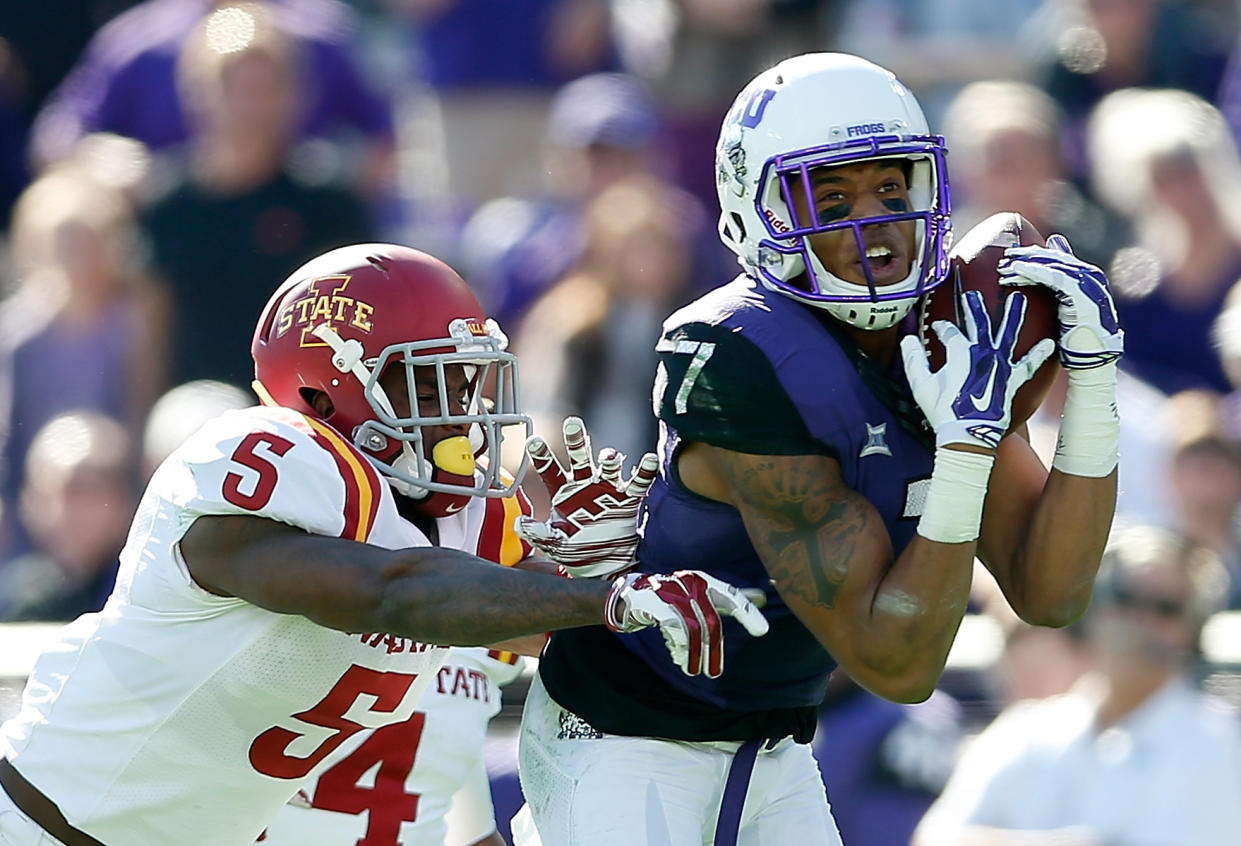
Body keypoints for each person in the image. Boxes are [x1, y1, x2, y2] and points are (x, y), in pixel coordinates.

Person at [511, 52, 1125, 844]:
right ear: (751, 215)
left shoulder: (940, 331)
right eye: (828, 198)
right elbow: (895, 663)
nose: (872, 225)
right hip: (627, 732)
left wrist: (1093, 395)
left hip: (772, 740)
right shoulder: (738, 352)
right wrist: (966, 448)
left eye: (890, 190)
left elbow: (1049, 593)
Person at [0, 242, 767, 845]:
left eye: (466, 382)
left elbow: (556, 621)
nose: (460, 412)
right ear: (324, 387)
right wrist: (600, 597)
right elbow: (393, 589)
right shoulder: (262, 458)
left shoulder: (451, 510)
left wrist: (643, 564)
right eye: (427, 385)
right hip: (43, 828)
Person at [912, 524, 1241, 845]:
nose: (1141, 620)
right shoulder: (1024, 729)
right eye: (1124, 597)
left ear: (1194, 631)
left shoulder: (1220, 745)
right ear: (1096, 609)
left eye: (1166, 608)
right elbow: (935, 837)